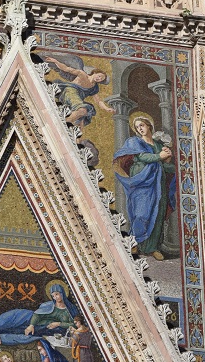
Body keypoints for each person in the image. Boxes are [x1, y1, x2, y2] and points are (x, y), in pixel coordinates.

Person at [113, 113, 176, 261]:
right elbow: (143, 157)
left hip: (158, 183)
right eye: (137, 127)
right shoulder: (135, 142)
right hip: (142, 183)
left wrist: (169, 160)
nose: (140, 129)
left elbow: (163, 165)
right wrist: (160, 156)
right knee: (141, 213)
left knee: (158, 214)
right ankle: (135, 243)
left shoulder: (158, 145)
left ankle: (152, 248)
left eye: (142, 125)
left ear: (149, 125)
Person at [43, 54, 116, 129]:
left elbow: (98, 101)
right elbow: (66, 69)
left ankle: (65, 124)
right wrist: (56, 61)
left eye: (101, 79)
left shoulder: (94, 87)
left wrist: (106, 108)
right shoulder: (82, 74)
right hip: (70, 92)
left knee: (84, 113)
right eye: (99, 76)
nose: (99, 78)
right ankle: (62, 124)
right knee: (82, 109)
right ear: (95, 72)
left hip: (78, 100)